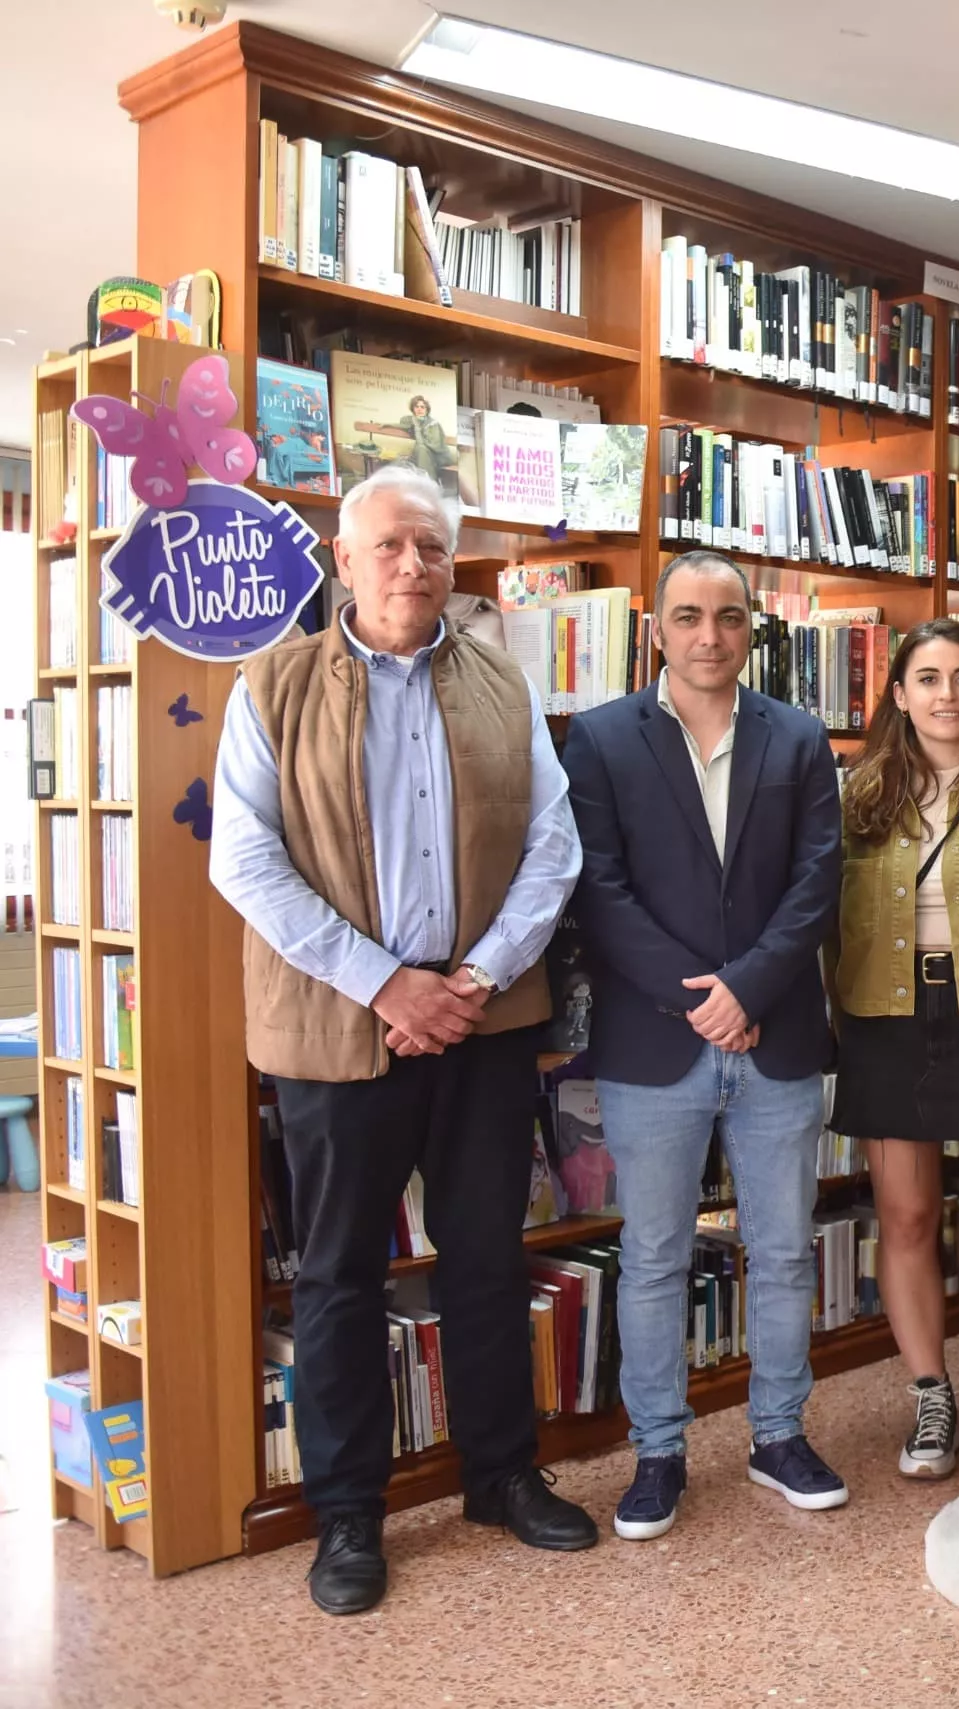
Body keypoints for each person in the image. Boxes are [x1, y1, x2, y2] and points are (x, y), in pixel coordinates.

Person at [209, 463, 591, 1614]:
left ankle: (500, 1473)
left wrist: (471, 978)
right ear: (343, 559)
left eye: (430, 546)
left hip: (478, 1023)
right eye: (389, 546)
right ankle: (347, 1515)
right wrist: (388, 984)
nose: (412, 566)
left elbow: (554, 845)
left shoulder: (498, 681)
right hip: (339, 1029)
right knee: (335, 1276)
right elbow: (244, 857)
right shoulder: (272, 685)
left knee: (484, 1253)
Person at [558, 550, 848, 1542]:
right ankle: (658, 1451)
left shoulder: (801, 738)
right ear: (658, 630)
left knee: (779, 1253)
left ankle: (777, 1435)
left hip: (776, 1041)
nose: (708, 636)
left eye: (728, 617)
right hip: (657, 1042)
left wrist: (750, 986)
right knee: (651, 1256)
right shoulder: (597, 740)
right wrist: (706, 998)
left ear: (750, 629)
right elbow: (596, 888)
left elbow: (818, 878)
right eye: (688, 616)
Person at [832, 619, 959, 1479]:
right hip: (886, 1016)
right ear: (899, 694)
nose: (947, 694)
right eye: (928, 677)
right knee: (905, 1214)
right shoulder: (857, 796)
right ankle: (931, 1394)